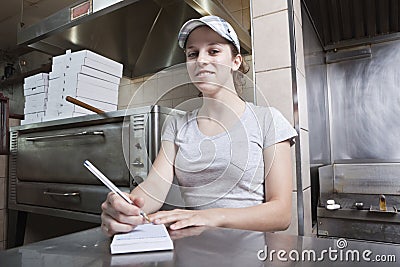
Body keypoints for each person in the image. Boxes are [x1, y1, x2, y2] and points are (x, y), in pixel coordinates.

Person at [101, 15, 297, 236]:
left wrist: (210, 216)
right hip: (193, 250)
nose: (201, 60)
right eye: (192, 54)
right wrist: (128, 206)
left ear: (236, 61)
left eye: (213, 51)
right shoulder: (177, 125)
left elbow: (281, 213)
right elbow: (155, 187)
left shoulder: (268, 120)